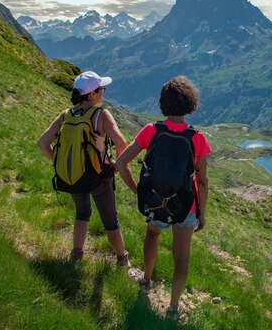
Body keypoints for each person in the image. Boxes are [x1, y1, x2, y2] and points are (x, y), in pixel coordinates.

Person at [116, 75, 211, 319]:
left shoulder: (152, 130)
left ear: (163, 103)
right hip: (185, 204)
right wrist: (201, 212)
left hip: (156, 199)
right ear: (191, 103)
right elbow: (201, 180)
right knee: (182, 256)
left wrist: (138, 191)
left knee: (152, 234)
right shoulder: (197, 137)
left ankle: (146, 280)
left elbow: (121, 162)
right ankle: (173, 308)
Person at [38, 71, 131, 266]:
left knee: (82, 213)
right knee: (110, 220)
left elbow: (43, 142)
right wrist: (117, 164)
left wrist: (60, 160)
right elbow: (121, 143)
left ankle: (77, 255)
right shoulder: (101, 115)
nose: (102, 92)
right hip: (100, 175)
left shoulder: (66, 115)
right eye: (101, 89)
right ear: (92, 94)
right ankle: (122, 258)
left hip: (74, 174)